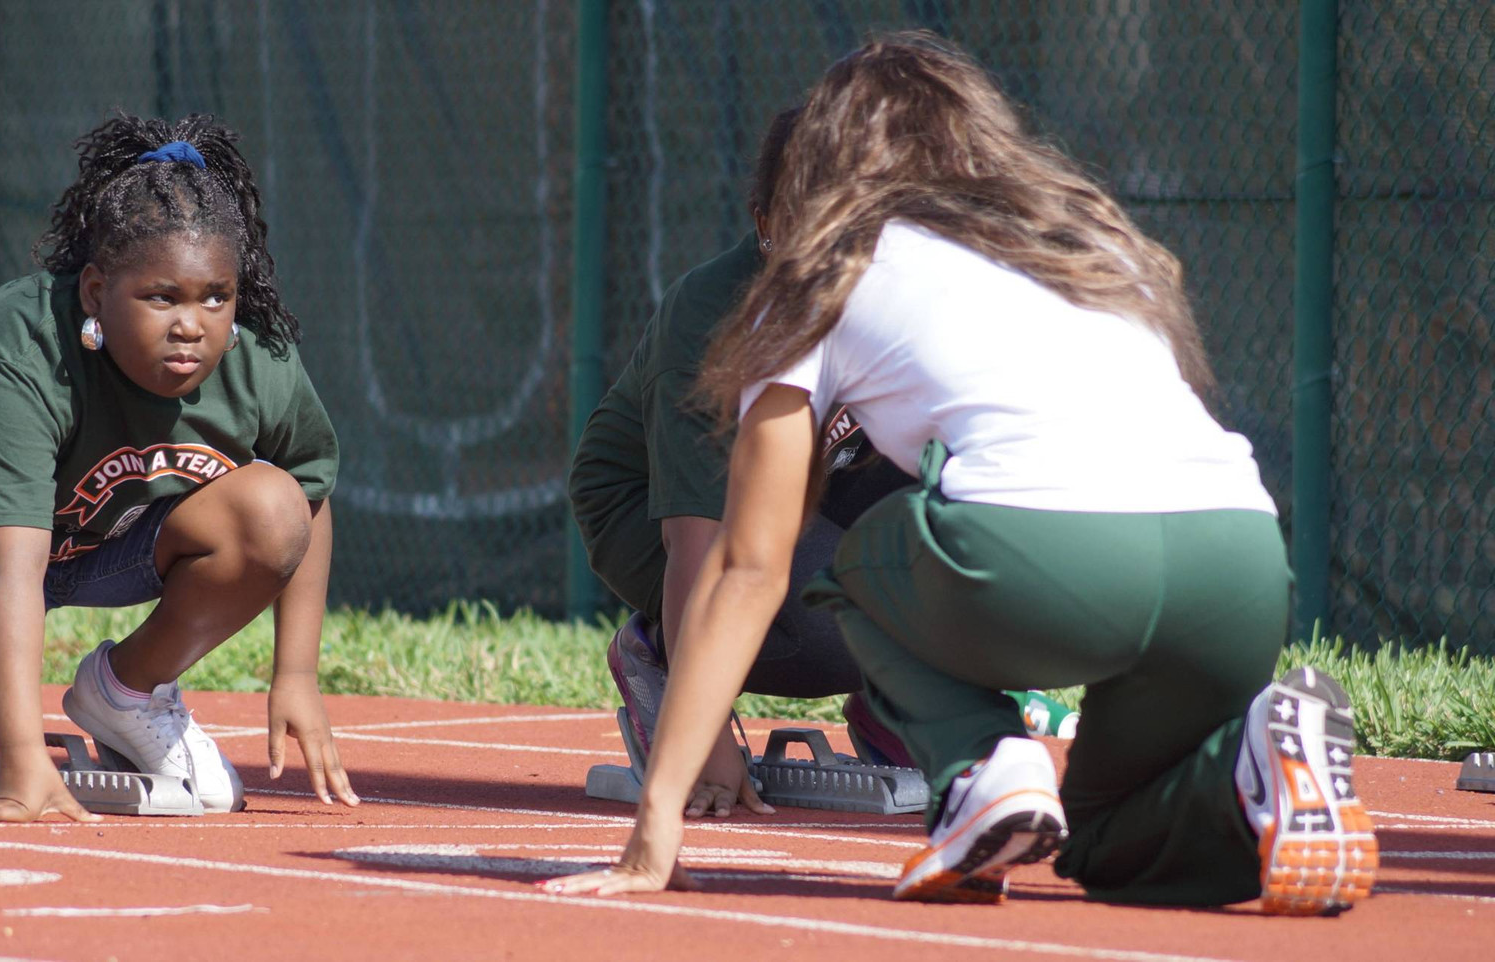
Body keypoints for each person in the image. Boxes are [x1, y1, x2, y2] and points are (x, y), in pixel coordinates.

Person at [544, 33, 1376, 915]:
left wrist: (656, 823)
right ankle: (1254, 766)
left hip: (1051, 556)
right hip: (1240, 563)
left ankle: (985, 762)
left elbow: (749, 567)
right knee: (1109, 846)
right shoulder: (1087, 242)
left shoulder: (818, 284)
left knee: (855, 562)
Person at [0, 114, 359, 823]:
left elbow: (309, 493)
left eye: (215, 296)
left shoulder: (258, 361)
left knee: (271, 507)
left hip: (116, 536)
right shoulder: (24, 342)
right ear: (95, 293)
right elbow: (15, 568)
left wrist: (298, 674)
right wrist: (26, 770)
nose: (193, 324)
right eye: (162, 297)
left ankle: (125, 692)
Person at [568, 106, 918, 812]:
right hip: (652, 513)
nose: (838, 246)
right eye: (812, 220)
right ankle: (657, 650)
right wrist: (702, 746)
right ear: (766, 224)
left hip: (809, 488)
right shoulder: (713, 322)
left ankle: (896, 705)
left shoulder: (898, 295)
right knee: (829, 630)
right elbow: (694, 537)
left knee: (961, 547)